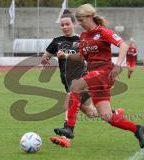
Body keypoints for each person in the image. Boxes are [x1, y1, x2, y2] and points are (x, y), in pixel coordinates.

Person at [50, 4, 144, 149]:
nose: (80, 25)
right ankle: (136, 128)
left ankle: (69, 127)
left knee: (75, 86)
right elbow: (81, 56)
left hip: (105, 72)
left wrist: (118, 65)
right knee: (106, 116)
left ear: (89, 17)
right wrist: (66, 55)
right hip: (94, 75)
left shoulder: (103, 32)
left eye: (81, 21)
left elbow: (124, 46)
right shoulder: (83, 36)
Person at [41, 10, 103, 141]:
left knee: (70, 97)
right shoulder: (56, 41)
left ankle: (66, 135)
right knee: (91, 112)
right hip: (67, 82)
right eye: (62, 25)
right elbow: (46, 56)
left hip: (82, 80)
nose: (65, 27)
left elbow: (90, 59)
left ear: (74, 24)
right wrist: (45, 60)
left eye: (67, 24)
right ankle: (114, 114)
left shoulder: (82, 40)